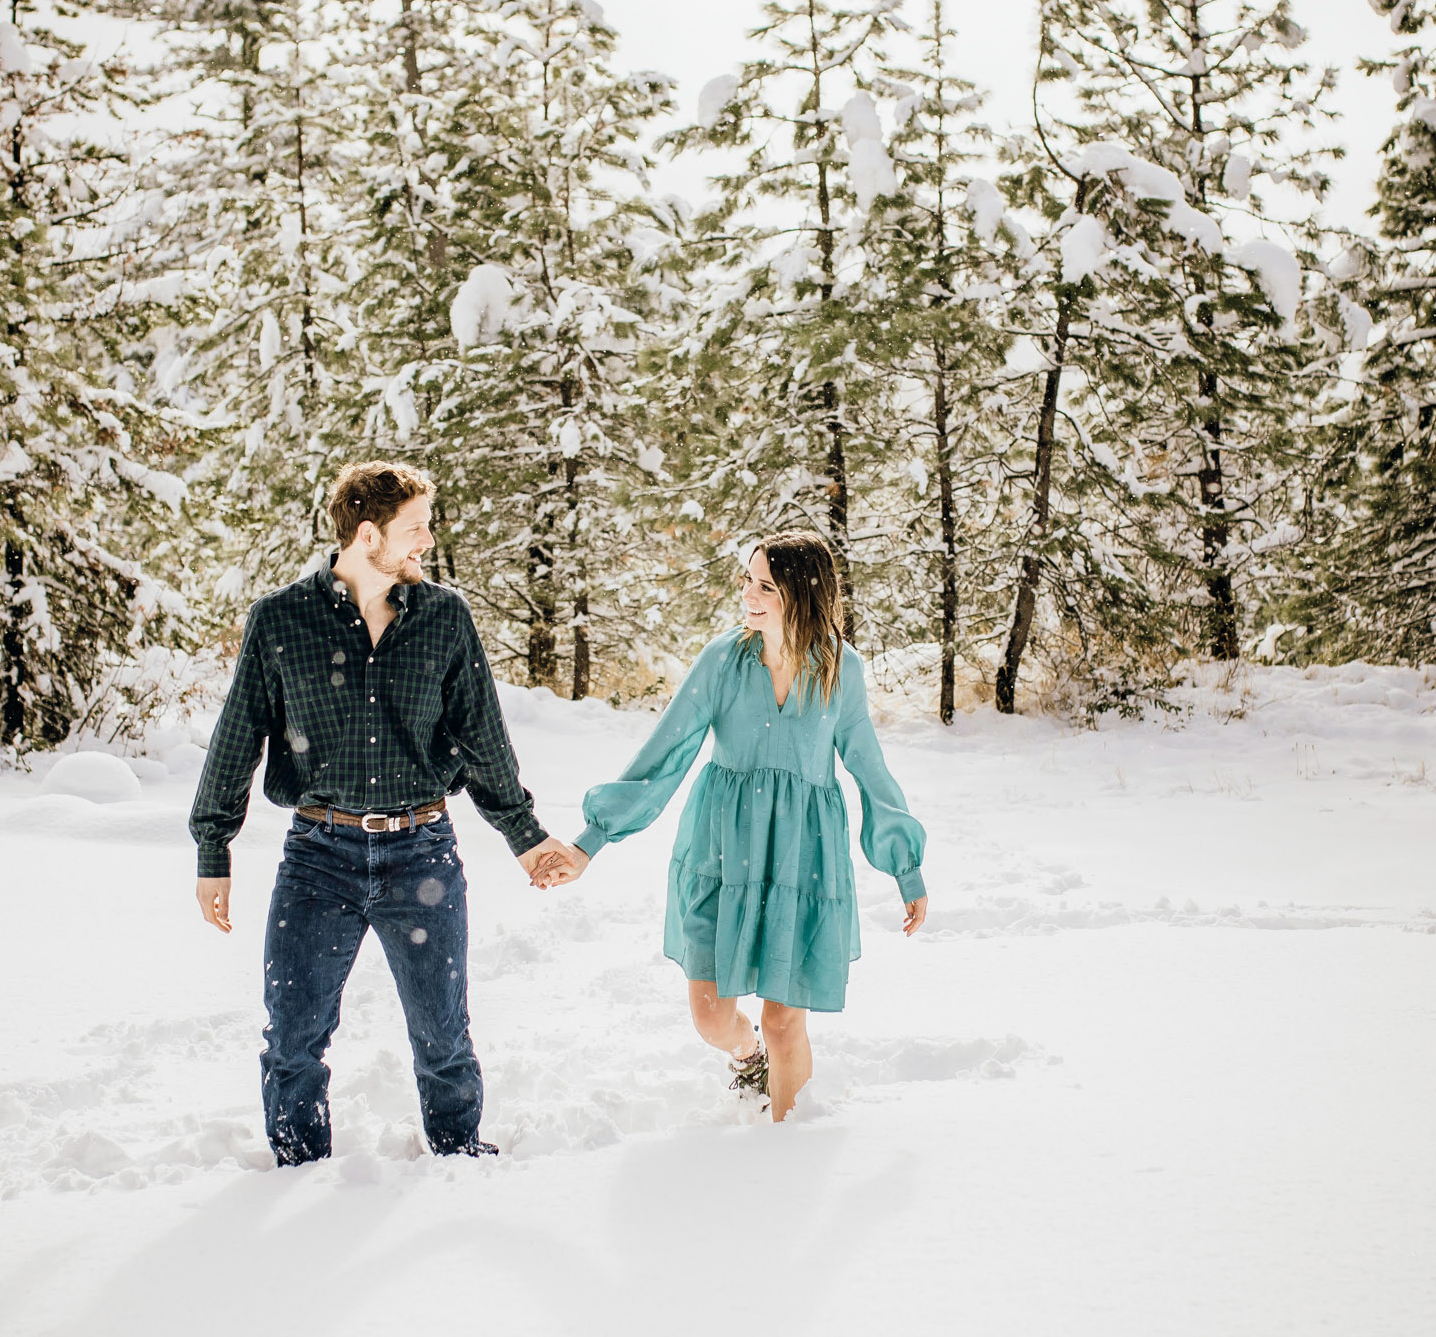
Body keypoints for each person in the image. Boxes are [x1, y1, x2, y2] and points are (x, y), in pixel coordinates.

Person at [189, 459, 575, 1165]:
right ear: (367, 535)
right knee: (293, 1034)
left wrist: (524, 836)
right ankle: (296, 1166)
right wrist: (212, 851)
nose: (426, 541)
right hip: (317, 858)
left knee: (442, 1034)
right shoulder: (280, 621)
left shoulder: (443, 618)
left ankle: (459, 1158)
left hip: (421, 853)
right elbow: (237, 735)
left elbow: (481, 737)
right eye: (414, 528)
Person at [539, 530, 927, 1121]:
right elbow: (663, 756)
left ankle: (785, 1149)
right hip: (722, 847)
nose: (748, 593)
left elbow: (868, 766)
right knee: (712, 1015)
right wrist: (591, 841)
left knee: (782, 1018)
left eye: (765, 585)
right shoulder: (723, 660)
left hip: (802, 855)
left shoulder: (839, 669)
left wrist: (907, 868)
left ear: (800, 594)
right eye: (747, 579)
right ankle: (748, 1059)